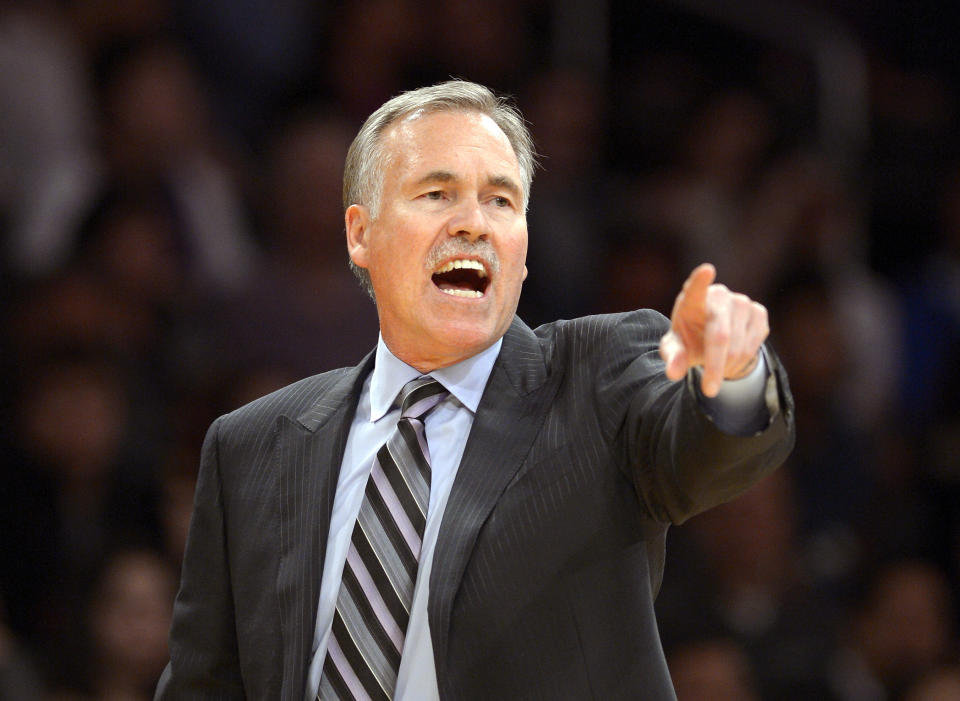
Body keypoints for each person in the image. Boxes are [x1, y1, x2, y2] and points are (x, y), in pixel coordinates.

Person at [156, 80, 794, 700]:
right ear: (360, 234)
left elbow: (699, 454)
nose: (473, 224)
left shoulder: (594, 375)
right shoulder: (249, 447)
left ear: (523, 249)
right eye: (436, 194)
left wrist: (732, 377)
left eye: (501, 201)